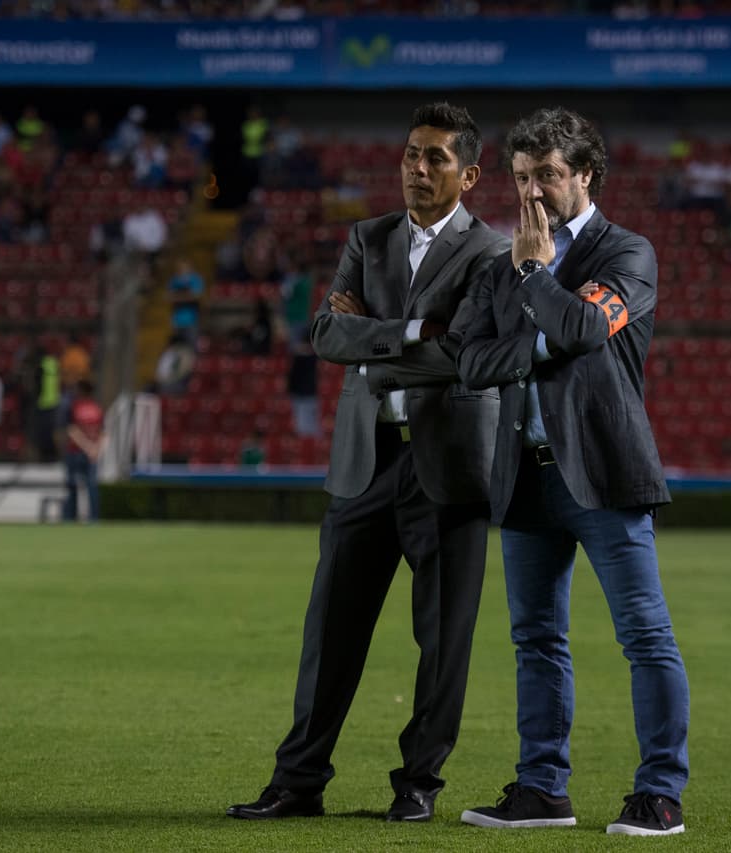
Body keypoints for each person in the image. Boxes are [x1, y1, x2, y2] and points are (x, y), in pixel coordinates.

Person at [226, 102, 509, 824]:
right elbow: (326, 333)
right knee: (330, 631)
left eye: (436, 158)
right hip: (365, 462)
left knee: (443, 641)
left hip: (448, 469)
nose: (418, 168)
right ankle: (299, 781)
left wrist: (371, 342)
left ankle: (418, 785)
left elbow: (467, 354)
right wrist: (414, 331)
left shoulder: (490, 254)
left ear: (469, 173)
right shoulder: (368, 235)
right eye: (412, 155)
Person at [450, 107, 689, 837]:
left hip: (605, 471)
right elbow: (466, 360)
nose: (531, 194)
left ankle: (659, 793)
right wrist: (542, 336)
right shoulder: (500, 266)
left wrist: (531, 274)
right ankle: (542, 789)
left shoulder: (628, 254)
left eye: (547, 176)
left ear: (584, 174)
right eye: (521, 178)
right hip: (525, 475)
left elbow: (586, 328)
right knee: (536, 640)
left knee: (644, 635)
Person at [61, 379, 104, 522]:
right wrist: (93, 449)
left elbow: (102, 432)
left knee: (89, 486)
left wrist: (94, 449)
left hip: (81, 452)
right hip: (82, 452)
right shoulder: (95, 407)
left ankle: (89, 518)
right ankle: (73, 518)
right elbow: (73, 430)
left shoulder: (77, 407)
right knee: (75, 485)